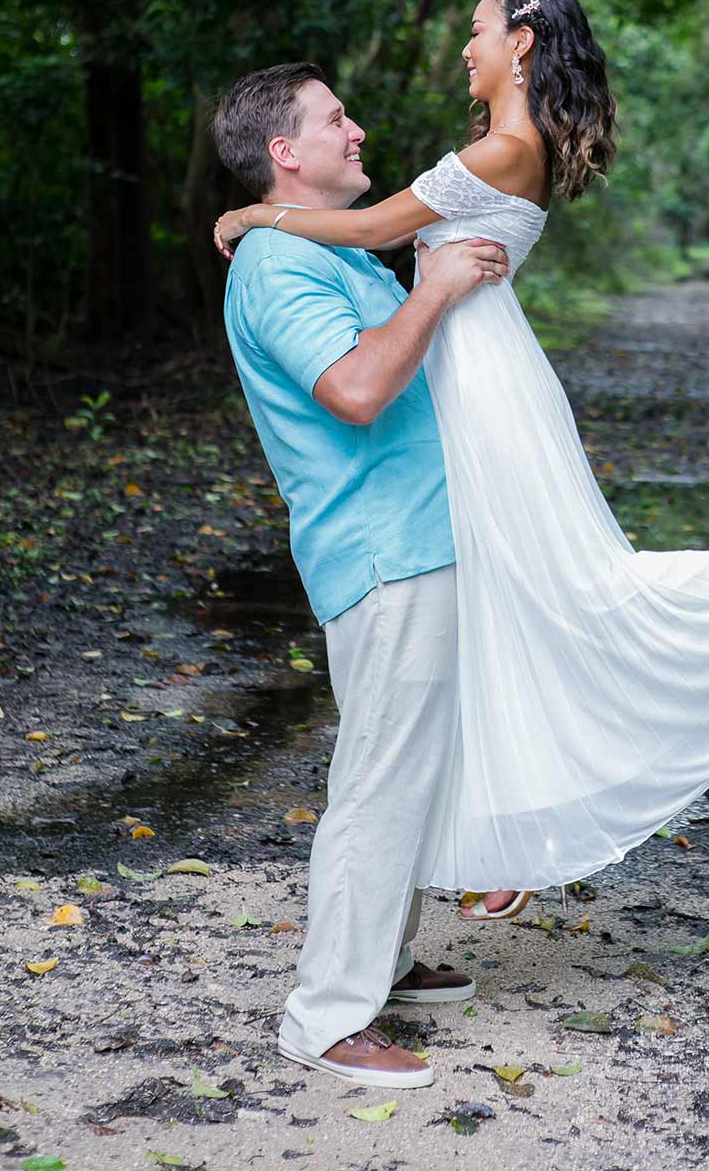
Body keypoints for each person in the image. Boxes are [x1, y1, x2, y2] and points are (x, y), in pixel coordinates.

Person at [215, 0, 709, 935]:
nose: (466, 48)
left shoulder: (504, 145)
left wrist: (253, 217)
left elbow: (372, 231)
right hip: (462, 367)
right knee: (510, 607)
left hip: (482, 380)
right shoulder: (508, 143)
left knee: (571, 586)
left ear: (524, 43)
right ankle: (510, 832)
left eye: (478, 30)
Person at [212, 60, 511, 1090]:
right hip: (381, 552)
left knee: (413, 775)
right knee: (380, 782)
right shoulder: (276, 271)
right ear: (285, 152)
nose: (359, 129)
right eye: (335, 119)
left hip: (425, 539)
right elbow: (353, 389)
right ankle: (326, 1017)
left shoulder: (319, 252)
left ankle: (380, 963)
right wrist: (431, 289)